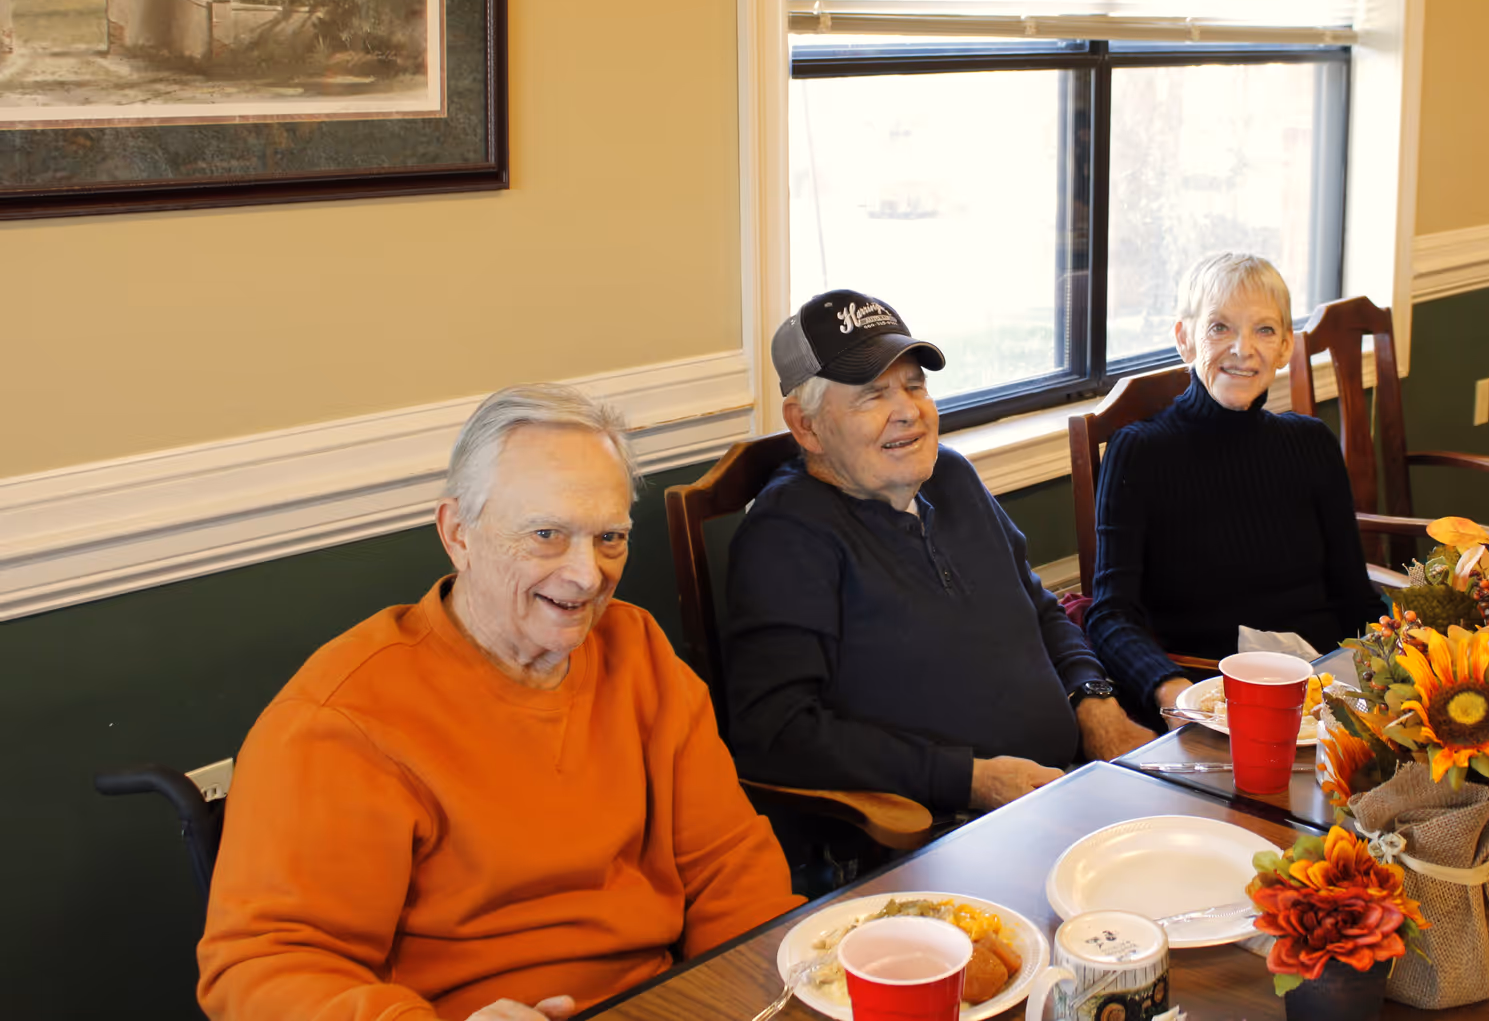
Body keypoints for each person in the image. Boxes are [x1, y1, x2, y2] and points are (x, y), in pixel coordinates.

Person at [198, 384, 800, 1021]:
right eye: (546, 534)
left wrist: (763, 994)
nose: (586, 575)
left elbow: (728, 868)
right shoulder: (340, 718)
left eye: (610, 538)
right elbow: (262, 966)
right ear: (458, 533)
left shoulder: (637, 649)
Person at [724, 290, 1156, 818]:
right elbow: (775, 732)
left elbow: (1039, 609)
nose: (908, 412)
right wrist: (970, 780)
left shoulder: (950, 475)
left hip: (1069, 788)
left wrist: (1095, 703)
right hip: (946, 831)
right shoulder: (787, 536)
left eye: (914, 385)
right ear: (806, 426)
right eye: (872, 395)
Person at [1083, 253, 1382, 723]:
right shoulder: (1141, 452)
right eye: (1219, 327)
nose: (1243, 349)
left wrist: (1398, 666)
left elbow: (1355, 596)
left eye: (1264, 330)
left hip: (1332, 691)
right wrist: (1173, 692)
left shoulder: (1311, 444)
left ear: (1286, 347)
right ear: (1184, 338)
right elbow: (1110, 616)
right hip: (1217, 701)